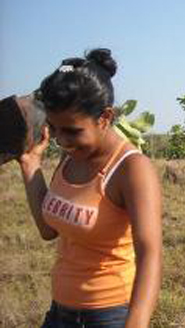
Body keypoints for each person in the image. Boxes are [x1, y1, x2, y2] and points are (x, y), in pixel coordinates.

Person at [17, 48, 162, 327]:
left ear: (105, 117)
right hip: (59, 313)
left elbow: (150, 253)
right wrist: (30, 165)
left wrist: (137, 323)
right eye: (54, 128)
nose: (61, 140)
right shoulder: (70, 157)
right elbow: (49, 230)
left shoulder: (131, 169)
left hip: (107, 316)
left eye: (72, 131)